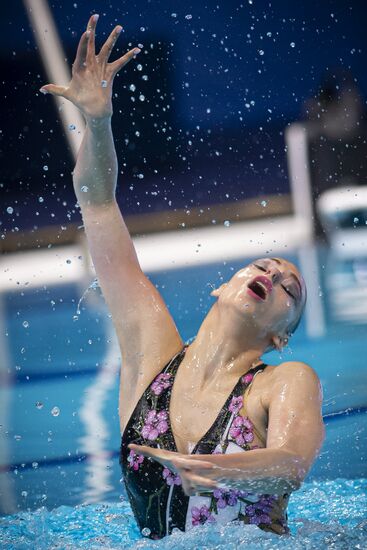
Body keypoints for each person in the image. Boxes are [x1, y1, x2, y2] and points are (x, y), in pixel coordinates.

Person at [40, 14, 325, 540]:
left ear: (281, 334)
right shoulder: (151, 364)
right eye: (263, 264)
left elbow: (290, 465)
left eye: (291, 287)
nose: (273, 273)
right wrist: (98, 123)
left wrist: (215, 470)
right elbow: (98, 204)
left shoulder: (285, 381)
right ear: (222, 285)